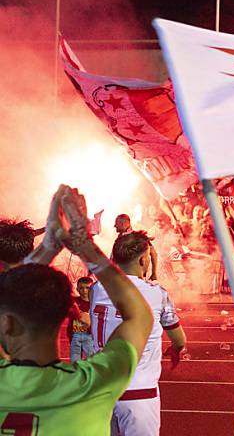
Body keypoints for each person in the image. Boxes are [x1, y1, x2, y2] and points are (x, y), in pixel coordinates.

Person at [0, 185, 153, 433]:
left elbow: (10, 297)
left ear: (7, 322)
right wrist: (85, 246)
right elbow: (140, 316)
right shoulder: (91, 384)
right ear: (63, 316)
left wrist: (48, 246)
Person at [91, 230, 187, 435]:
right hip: (138, 393)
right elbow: (179, 339)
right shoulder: (156, 293)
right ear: (144, 260)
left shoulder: (96, 289)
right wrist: (177, 348)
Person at [66, 276, 97, 363]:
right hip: (75, 335)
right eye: (81, 288)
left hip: (89, 336)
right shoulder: (74, 301)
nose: (84, 291)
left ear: (92, 289)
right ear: (77, 289)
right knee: (75, 361)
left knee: (91, 360)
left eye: (87, 288)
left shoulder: (95, 303)